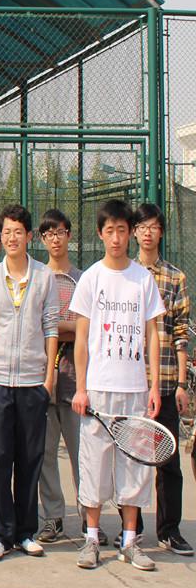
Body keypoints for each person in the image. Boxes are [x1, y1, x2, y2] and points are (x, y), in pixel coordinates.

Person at [72, 199, 164, 572]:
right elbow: (81, 339)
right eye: (109, 231)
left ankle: (129, 542)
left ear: (130, 233)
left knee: (135, 466)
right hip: (98, 390)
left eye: (121, 230)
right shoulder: (91, 278)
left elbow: (153, 334)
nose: (115, 238)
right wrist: (81, 388)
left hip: (135, 390)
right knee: (94, 463)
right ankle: (92, 538)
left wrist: (153, 386)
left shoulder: (143, 279)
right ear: (100, 234)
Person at [0, 205, 59, 562]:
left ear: (28, 236)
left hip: (32, 383)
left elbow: (51, 328)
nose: (11, 238)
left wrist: (48, 379)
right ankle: (1, 534)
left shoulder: (44, 277)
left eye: (17, 232)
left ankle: (25, 532)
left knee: (29, 459)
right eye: (6, 232)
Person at [133, 202, 192, 555]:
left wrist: (182, 383)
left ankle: (169, 530)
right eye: (142, 226)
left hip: (167, 381)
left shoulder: (175, 277)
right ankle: (132, 530)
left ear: (161, 232)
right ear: (134, 232)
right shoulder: (126, 275)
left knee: (168, 462)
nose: (148, 232)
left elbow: (181, 332)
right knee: (133, 459)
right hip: (132, 383)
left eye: (154, 226)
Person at [36, 210, 88, 545]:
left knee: (82, 455)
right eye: (48, 234)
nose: (55, 239)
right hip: (42, 381)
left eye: (60, 232)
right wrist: (65, 329)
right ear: (42, 239)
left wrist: (57, 329)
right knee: (45, 455)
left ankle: (88, 519)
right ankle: (53, 518)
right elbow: (35, 325)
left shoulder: (83, 279)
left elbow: (85, 328)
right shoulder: (38, 277)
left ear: (69, 235)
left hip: (74, 381)